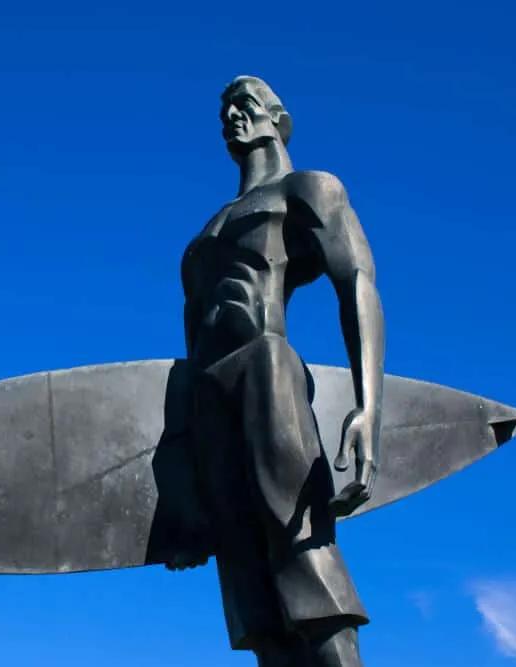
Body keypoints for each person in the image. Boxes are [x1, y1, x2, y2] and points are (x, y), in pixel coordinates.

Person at [175, 75, 385, 667]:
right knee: (248, 587)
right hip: (205, 394)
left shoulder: (308, 188)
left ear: (276, 116)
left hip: (266, 369)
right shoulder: (206, 233)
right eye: (224, 110)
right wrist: (185, 494)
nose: (231, 117)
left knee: (301, 549)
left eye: (244, 105)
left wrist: (370, 408)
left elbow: (358, 283)